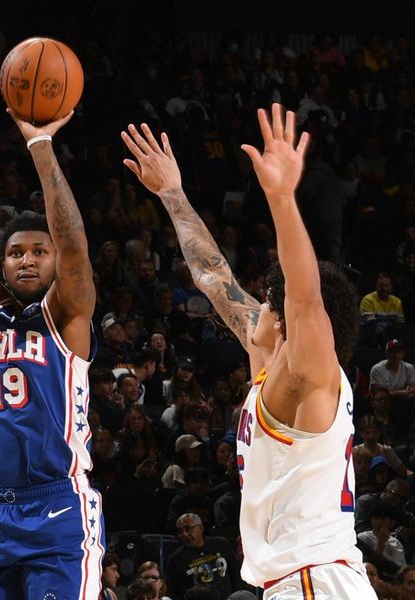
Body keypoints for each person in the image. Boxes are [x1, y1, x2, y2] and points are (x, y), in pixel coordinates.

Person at [121, 107, 375, 597]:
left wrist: (281, 199)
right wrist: (172, 194)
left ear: (282, 320)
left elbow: (305, 297)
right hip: (304, 579)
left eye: (266, 300)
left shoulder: (309, 377)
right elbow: (216, 280)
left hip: (313, 581)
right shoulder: (274, 372)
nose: (254, 304)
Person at [0, 67, 102, 599]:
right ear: (3, 263)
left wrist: (39, 144)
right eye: (16, 253)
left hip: (57, 507)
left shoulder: (69, 314)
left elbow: (75, 244)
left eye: (39, 251)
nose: (28, 260)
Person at [165, 512, 240, 599]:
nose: (184, 534)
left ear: (201, 528)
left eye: (188, 528)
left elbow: (236, 575)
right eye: (181, 531)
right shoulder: (175, 560)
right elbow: (173, 593)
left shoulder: (221, 545)